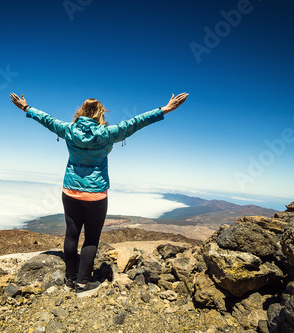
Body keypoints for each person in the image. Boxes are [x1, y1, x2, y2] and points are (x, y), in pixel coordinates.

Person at [10, 92, 188, 297]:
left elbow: (46, 119)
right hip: (96, 195)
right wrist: (164, 109)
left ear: (81, 112)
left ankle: (70, 279)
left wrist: (26, 108)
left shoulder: (68, 129)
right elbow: (135, 122)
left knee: (71, 234)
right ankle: (83, 284)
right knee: (91, 239)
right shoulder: (107, 133)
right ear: (100, 114)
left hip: (70, 191)